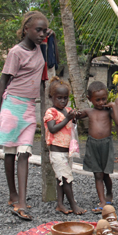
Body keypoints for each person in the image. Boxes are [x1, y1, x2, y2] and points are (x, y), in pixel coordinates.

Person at [0, 11, 49, 221]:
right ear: (26, 29)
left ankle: (21, 201)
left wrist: (53, 38)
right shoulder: (16, 52)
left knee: (25, 152)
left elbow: (54, 63)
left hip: (30, 107)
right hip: (13, 105)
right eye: (38, 30)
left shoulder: (42, 48)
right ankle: (13, 194)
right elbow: (3, 81)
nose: (42, 34)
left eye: (44, 30)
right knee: (10, 152)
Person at [75, 81, 118, 213]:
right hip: (93, 145)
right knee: (98, 174)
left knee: (106, 174)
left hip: (106, 145)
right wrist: (75, 114)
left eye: (104, 99)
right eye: (98, 100)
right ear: (90, 99)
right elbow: (77, 115)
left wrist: (114, 106)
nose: (101, 102)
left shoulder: (108, 111)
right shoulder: (89, 111)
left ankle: (109, 193)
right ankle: (102, 200)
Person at [44, 77, 86, 215]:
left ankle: (60, 204)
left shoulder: (67, 110)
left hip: (67, 152)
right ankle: (74, 205)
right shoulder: (51, 112)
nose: (63, 101)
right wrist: (68, 118)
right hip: (56, 152)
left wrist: (75, 115)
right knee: (67, 179)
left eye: (65, 98)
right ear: (51, 97)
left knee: (61, 178)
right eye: (59, 98)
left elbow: (73, 121)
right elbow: (52, 129)